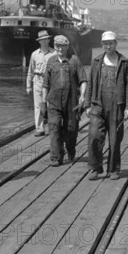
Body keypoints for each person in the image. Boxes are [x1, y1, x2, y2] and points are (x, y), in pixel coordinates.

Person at [85, 31, 128, 180]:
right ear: (102, 45)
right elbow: (90, 83)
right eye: (105, 43)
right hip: (98, 104)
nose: (108, 46)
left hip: (117, 105)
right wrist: (87, 104)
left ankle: (113, 169)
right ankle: (95, 167)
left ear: (115, 44)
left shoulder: (124, 62)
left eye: (111, 43)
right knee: (94, 136)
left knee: (114, 139)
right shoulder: (96, 61)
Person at [42, 35, 87, 167]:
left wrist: (82, 96)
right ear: (54, 47)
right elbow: (45, 84)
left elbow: (83, 80)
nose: (60, 49)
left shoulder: (74, 60)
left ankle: (71, 148)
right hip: (54, 101)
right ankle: (56, 157)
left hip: (71, 102)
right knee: (54, 128)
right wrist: (43, 103)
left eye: (63, 46)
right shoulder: (50, 61)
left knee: (71, 129)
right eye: (57, 46)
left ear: (67, 46)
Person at [26, 30, 55, 136]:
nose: (44, 41)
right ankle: (39, 128)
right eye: (42, 40)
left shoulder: (54, 54)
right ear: (39, 41)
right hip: (37, 82)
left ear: (49, 40)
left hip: (51, 83)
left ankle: (52, 127)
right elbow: (31, 70)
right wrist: (28, 85)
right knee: (38, 105)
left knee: (51, 105)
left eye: (46, 39)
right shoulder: (34, 54)